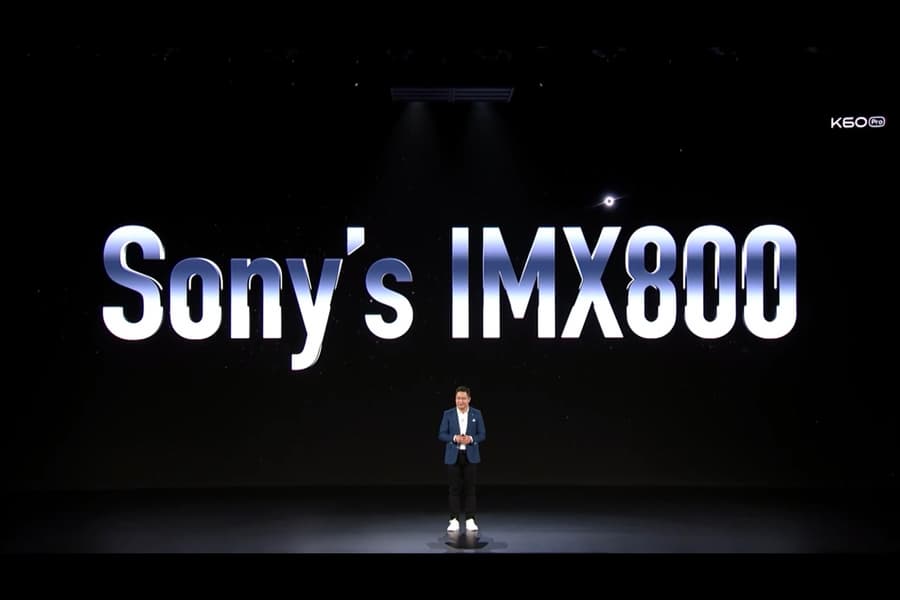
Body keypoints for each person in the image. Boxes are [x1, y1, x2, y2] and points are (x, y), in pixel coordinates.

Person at [438, 385, 486, 532]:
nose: (460, 401)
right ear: (455, 399)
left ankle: (470, 519)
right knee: (454, 489)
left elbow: (482, 434)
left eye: (463, 398)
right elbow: (441, 434)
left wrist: (471, 439)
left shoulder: (476, 414)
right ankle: (454, 520)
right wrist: (454, 438)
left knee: (470, 489)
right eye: (458, 398)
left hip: (470, 456)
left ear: (469, 399)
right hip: (454, 456)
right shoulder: (448, 414)